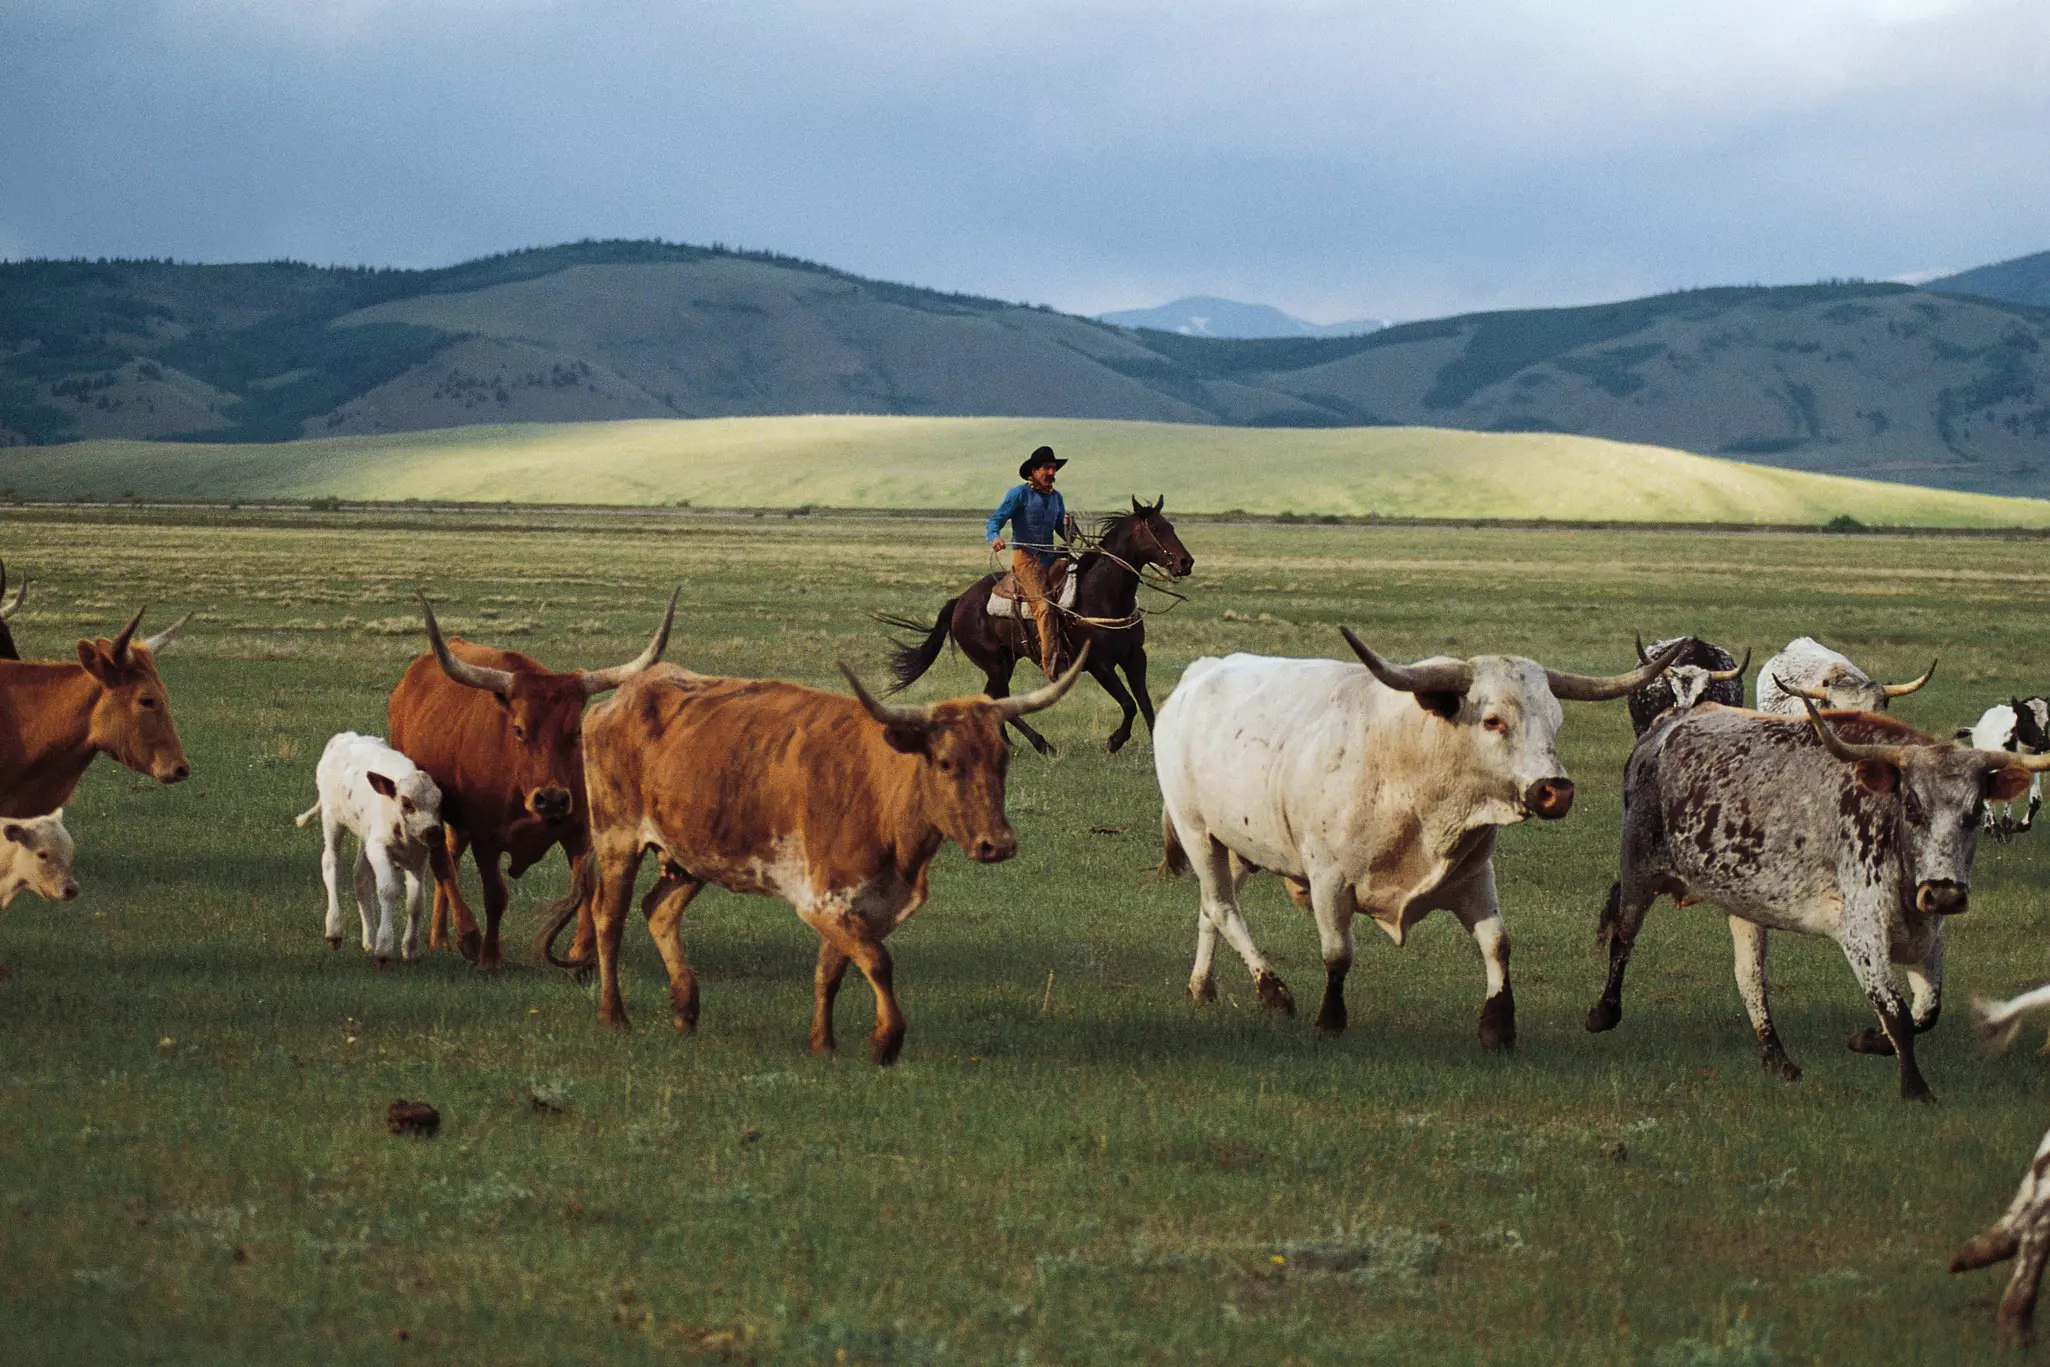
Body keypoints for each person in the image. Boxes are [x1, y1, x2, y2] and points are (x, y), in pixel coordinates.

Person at [986, 446, 1077, 678]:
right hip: (1026, 560)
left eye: (1053, 468)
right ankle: (1051, 665)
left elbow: (1064, 534)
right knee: (1044, 607)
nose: (1051, 472)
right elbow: (996, 519)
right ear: (1034, 471)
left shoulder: (1057, 498)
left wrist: (1069, 527)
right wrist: (994, 537)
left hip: (1050, 557)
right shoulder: (1019, 494)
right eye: (1046, 468)